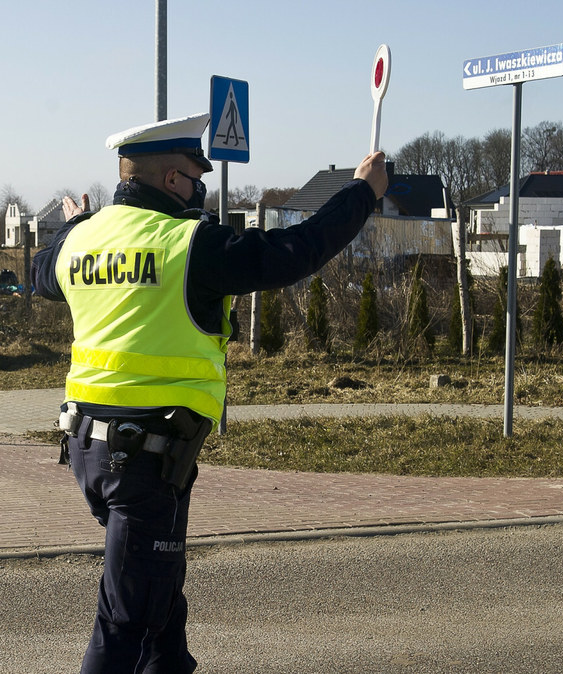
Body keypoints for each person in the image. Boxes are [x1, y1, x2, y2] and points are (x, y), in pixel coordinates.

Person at [32, 111, 388, 673]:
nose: (201, 190)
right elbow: (298, 249)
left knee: (162, 615)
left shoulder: (80, 240)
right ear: (173, 179)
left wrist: (70, 226)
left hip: (93, 450)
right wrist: (362, 194)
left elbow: (41, 272)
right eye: (196, 178)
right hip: (144, 461)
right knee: (124, 625)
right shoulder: (189, 244)